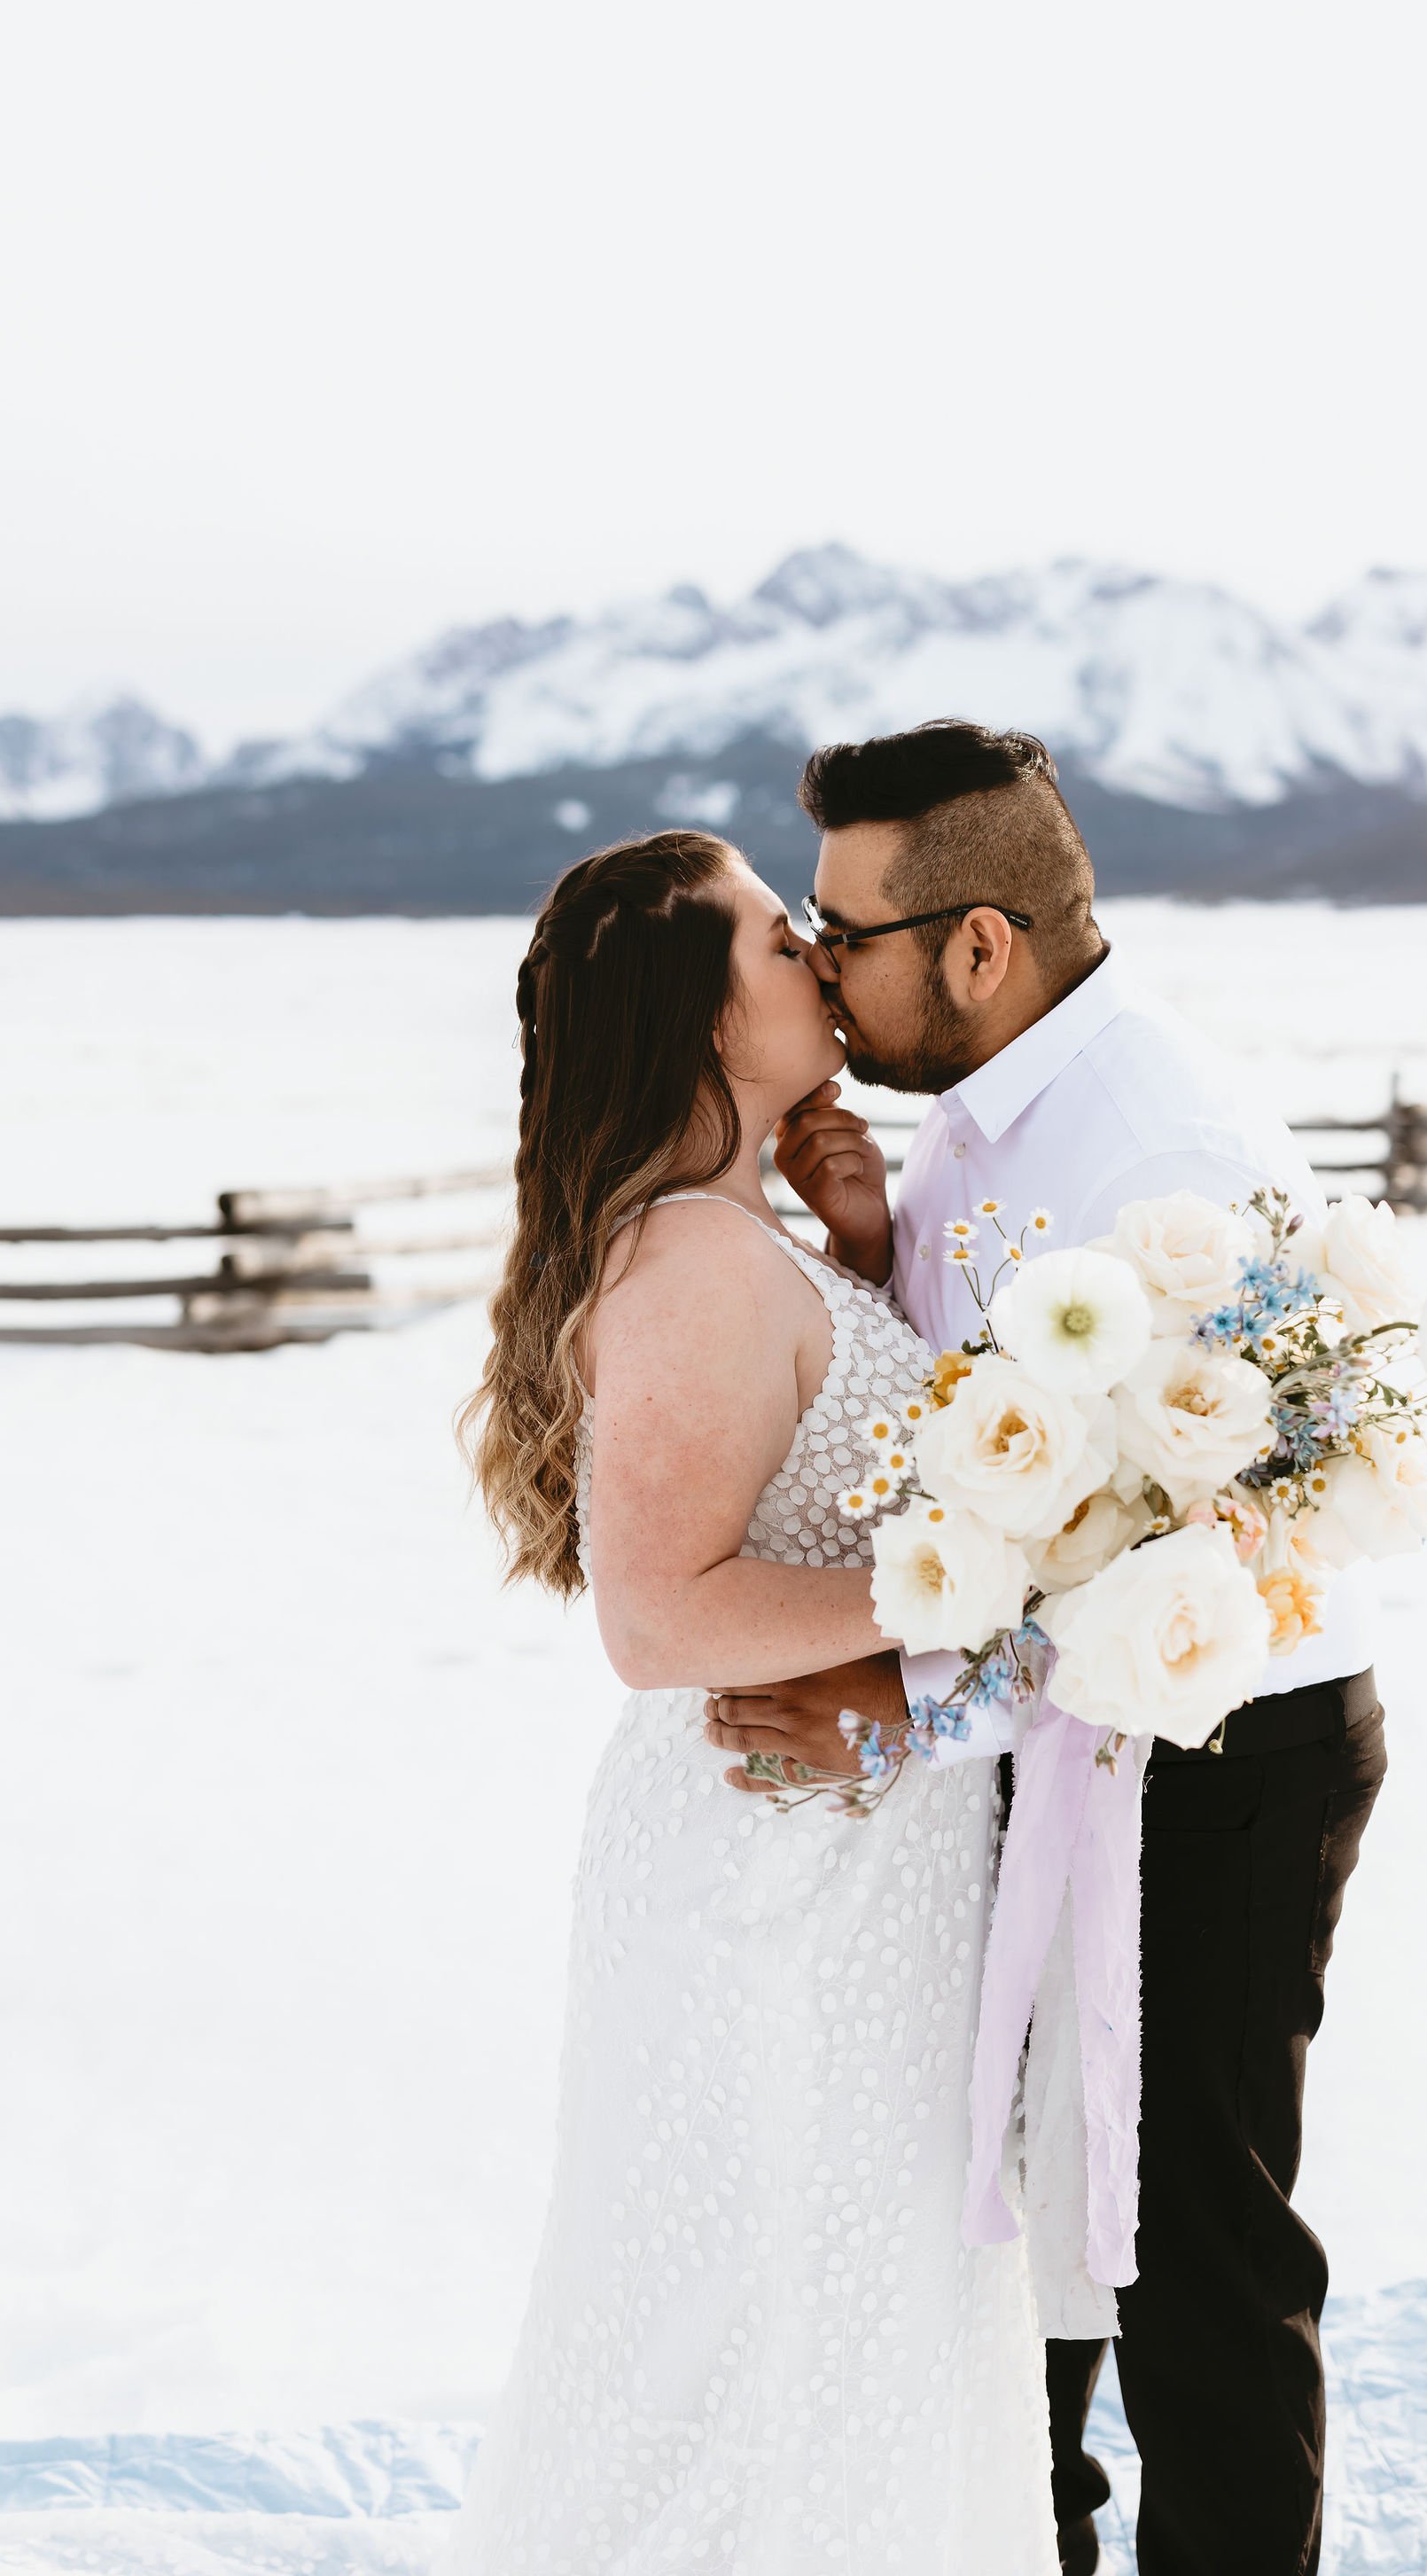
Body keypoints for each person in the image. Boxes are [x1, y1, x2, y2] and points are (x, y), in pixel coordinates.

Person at [708, 722, 1389, 2575]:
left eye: (843, 934)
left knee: (1191, 2260)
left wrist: (891, 1695)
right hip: (1063, 1741)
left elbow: (1178, 1549)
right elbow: (985, 1443)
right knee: (1046, 2227)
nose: (821, 972)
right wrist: (864, 1238)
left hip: (1218, 1750)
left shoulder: (1150, 1148)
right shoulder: (986, 1114)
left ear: (981, 945)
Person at [446, 828, 1057, 2574]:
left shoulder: (744, 1242)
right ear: (708, 1015)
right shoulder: (698, 1265)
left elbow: (825, 1478)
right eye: (780, 944)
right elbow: (657, 1616)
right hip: (772, 1885)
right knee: (761, 2325)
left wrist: (862, 1251)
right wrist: (1003, 1592)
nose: (818, 960)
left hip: (854, 1852)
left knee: (850, 2317)